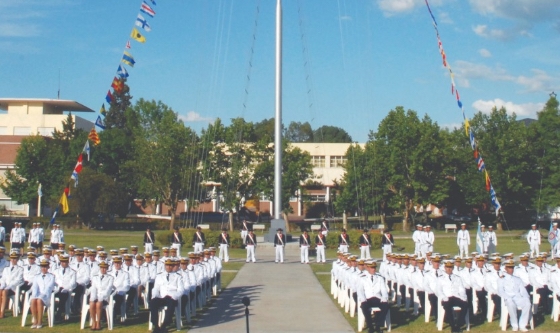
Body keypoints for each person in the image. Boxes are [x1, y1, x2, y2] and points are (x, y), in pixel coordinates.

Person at [149, 258, 184, 333]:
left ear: (173, 266)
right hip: (162, 297)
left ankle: (165, 325)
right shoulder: (159, 276)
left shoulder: (178, 276)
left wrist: (174, 296)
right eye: (167, 265)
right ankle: (156, 325)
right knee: (152, 303)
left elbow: (181, 290)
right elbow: (156, 288)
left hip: (172, 297)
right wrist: (155, 296)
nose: (168, 267)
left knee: (171, 304)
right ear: (165, 266)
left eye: (170, 266)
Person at [499, 259, 531, 331]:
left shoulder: (517, 279)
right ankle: (514, 324)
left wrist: (526, 297)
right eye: (509, 268)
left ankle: (522, 324)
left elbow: (523, 291)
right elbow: (500, 291)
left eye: (512, 267)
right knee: (511, 304)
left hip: (518, 298)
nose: (511, 269)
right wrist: (507, 297)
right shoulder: (501, 279)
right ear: (505, 268)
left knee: (527, 303)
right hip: (509, 298)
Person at [438, 261, 468, 333]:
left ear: (453, 268)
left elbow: (461, 289)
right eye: (447, 267)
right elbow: (438, 290)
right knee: (447, 307)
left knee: (465, 305)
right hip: (447, 297)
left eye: (450, 267)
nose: (449, 269)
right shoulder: (440, 278)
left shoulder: (457, 278)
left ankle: (458, 325)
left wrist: (463, 296)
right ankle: (452, 326)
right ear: (445, 268)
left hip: (456, 297)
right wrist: (443, 297)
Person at [359, 261, 389, 333]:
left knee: (386, 306)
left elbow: (384, 290)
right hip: (368, 299)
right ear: (368, 268)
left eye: (374, 268)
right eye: (372, 268)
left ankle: (378, 326)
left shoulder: (380, 278)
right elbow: (360, 291)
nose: (374, 269)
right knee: (364, 307)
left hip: (377, 298)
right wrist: (363, 299)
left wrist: (384, 298)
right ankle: (370, 327)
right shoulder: (362, 278)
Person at [89, 260, 114, 330]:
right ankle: (94, 322)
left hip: (104, 298)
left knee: (98, 304)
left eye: (105, 268)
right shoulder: (95, 277)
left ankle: (99, 322)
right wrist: (93, 297)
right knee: (91, 304)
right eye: (102, 268)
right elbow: (93, 288)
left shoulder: (110, 278)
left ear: (107, 269)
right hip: (96, 296)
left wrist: (101, 297)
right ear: (99, 268)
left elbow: (108, 289)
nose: (103, 269)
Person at [30, 259, 56, 329]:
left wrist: (41, 295)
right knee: (33, 300)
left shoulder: (51, 276)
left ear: (48, 267)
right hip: (38, 294)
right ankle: (35, 320)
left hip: (46, 295)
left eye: (45, 267)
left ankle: (40, 321)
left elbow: (49, 287)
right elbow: (35, 287)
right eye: (42, 267)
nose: (44, 269)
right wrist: (35, 295)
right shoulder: (36, 276)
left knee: (39, 300)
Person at [0, 252, 24, 318]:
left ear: (17, 259)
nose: (13, 260)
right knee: (1, 290)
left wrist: (9, 286)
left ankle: (2, 312)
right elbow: (3, 279)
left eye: (15, 259)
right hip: (6, 287)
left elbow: (18, 280)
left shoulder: (20, 269)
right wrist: (3, 285)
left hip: (14, 288)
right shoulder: (6, 269)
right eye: (12, 259)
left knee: (4, 292)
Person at [53, 254, 76, 321]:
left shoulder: (72, 272)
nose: (64, 263)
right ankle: (54, 311)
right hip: (57, 289)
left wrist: (65, 288)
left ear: (68, 262)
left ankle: (59, 312)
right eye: (63, 262)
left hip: (66, 289)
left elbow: (73, 284)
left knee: (64, 294)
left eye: (65, 262)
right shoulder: (56, 271)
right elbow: (53, 281)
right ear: (60, 262)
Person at [70, 249, 91, 314]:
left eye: (81, 256)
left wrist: (81, 283)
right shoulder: (71, 265)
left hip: (81, 284)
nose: (79, 257)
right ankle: (70, 307)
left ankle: (75, 306)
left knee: (79, 290)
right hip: (72, 284)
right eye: (78, 256)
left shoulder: (86, 266)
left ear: (83, 257)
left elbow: (87, 277)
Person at [110, 256, 130, 321]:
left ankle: (114, 315)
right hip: (110, 291)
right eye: (116, 263)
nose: (117, 264)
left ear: (121, 263)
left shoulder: (125, 274)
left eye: (118, 263)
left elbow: (126, 285)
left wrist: (121, 291)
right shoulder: (109, 273)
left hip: (120, 292)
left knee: (119, 298)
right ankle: (105, 315)